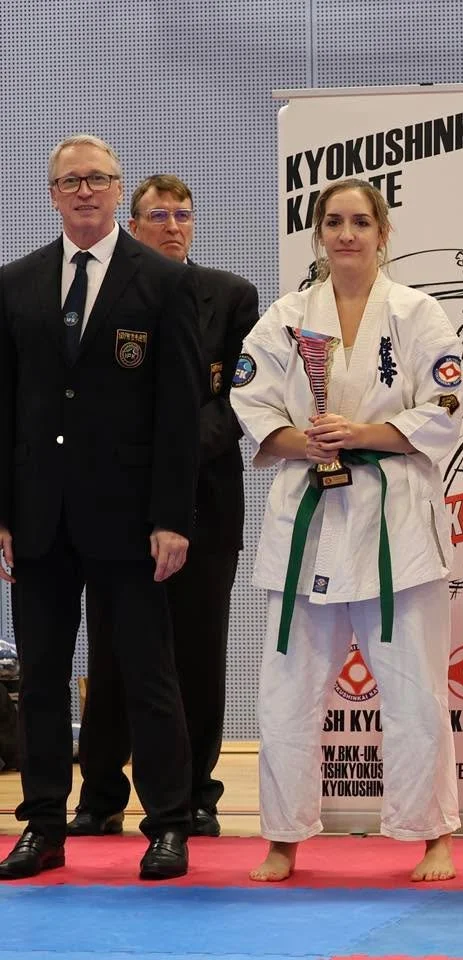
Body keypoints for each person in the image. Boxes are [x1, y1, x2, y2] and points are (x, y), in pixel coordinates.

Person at [231, 178, 462, 883]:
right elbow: (249, 395)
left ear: (382, 232)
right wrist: (303, 440)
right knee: (287, 689)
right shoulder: (285, 316)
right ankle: (284, 835)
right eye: (333, 222)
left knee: (416, 691)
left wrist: (363, 432)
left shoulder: (419, 314)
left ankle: (431, 834)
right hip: (309, 517)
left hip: (396, 522)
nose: (347, 234)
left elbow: (451, 404)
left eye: (361, 221)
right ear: (318, 234)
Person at [0, 135, 201, 880]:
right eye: (69, 181)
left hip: (133, 518)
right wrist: (3, 514)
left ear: (118, 191)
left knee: (148, 676)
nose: (84, 191)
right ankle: (44, 823)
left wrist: (173, 516)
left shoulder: (163, 282)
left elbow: (180, 411)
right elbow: (5, 408)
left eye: (97, 179)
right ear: (51, 194)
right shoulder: (15, 284)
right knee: (44, 678)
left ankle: (170, 823)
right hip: (41, 516)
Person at [70, 174, 257, 839]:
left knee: (197, 655)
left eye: (184, 214)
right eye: (158, 215)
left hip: (203, 502)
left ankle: (195, 794)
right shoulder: (107, 292)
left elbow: (240, 403)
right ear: (134, 221)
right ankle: (99, 794)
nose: (173, 225)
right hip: (117, 509)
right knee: (115, 654)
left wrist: (166, 460)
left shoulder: (232, 297)